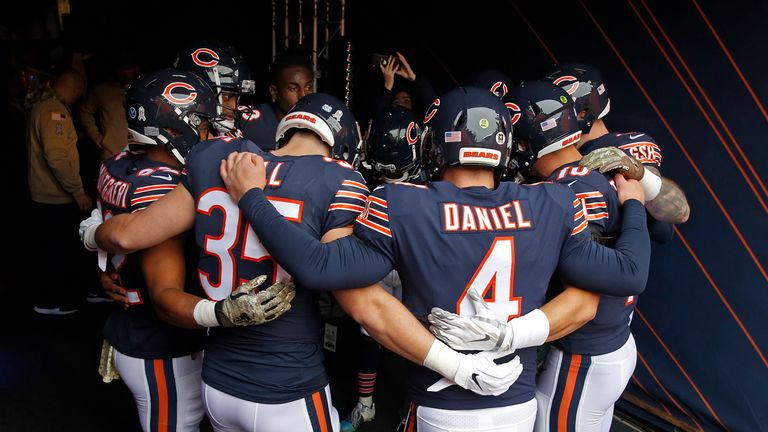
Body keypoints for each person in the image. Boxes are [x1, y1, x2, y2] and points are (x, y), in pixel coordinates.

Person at [217, 87, 653, 432]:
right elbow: (627, 274)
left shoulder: (401, 203)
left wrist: (253, 199)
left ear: (432, 145)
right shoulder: (554, 202)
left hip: (441, 402)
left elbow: (317, 266)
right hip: (515, 402)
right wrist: (632, 202)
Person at [81, 92, 521, 432]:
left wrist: (89, 231)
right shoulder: (339, 179)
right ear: (343, 146)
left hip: (217, 378)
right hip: (287, 385)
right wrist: (457, 364)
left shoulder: (220, 159)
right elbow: (360, 297)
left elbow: (128, 235)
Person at [340, 105, 424, 432]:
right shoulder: (362, 179)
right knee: (370, 337)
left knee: (418, 337)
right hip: (380, 269)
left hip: (406, 269)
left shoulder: (429, 184)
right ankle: (366, 404)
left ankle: (410, 408)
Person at [545, 62, 690, 225]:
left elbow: (679, 212)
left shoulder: (627, 145)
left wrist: (639, 173)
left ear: (582, 114)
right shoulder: (549, 161)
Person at [27, 68, 91, 315]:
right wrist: (78, 192)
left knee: (48, 249)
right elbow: (56, 157)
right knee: (59, 251)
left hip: (43, 195)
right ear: (75, 89)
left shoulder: (41, 106)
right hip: (55, 198)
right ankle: (55, 302)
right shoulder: (55, 112)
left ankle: (46, 299)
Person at [238, 46, 315, 149]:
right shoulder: (247, 121)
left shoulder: (320, 124)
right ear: (274, 91)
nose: (303, 95)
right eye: (293, 88)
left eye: (308, 87)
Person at [173, 40, 255, 138]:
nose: (233, 106)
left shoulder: (230, 133)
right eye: (227, 96)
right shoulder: (172, 132)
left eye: (237, 98)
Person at [79, 52, 140, 160]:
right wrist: (94, 134)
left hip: (140, 155)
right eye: (121, 68)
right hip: (112, 154)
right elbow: (85, 111)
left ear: (136, 68)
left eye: (127, 68)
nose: (124, 72)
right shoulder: (103, 91)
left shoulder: (143, 89)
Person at [370, 52, 436, 119]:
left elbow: (435, 106)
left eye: (406, 101)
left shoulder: (418, 124)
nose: (401, 104)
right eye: (396, 102)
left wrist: (414, 79)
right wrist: (387, 87)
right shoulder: (386, 123)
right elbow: (377, 117)